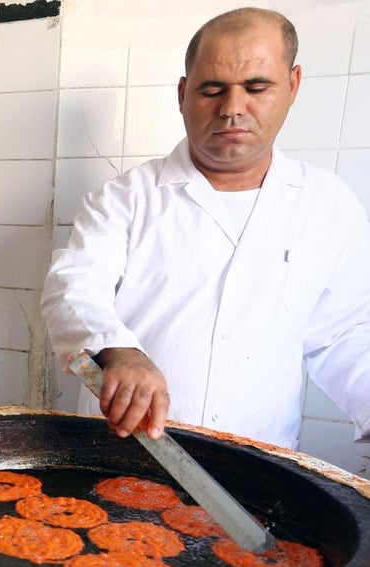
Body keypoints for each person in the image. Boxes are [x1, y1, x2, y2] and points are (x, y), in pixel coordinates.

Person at [40, 7, 370, 450]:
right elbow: (71, 287)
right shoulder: (126, 199)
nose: (233, 109)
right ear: (183, 94)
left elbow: (345, 336)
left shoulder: (326, 204)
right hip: (130, 452)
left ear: (292, 85)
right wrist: (118, 351)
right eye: (212, 90)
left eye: (257, 87)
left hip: (259, 461)